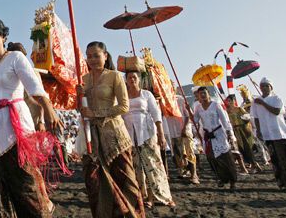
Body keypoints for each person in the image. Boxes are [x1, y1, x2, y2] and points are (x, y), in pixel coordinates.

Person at [0, 16, 63, 217]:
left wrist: (48, 110)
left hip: (15, 132)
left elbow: (35, 87)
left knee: (24, 188)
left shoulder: (15, 58)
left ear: (3, 36)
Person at [80, 42, 144, 218]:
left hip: (114, 135)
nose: (92, 59)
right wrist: (79, 97)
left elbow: (124, 106)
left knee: (125, 180)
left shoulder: (114, 76)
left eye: (96, 55)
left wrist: (96, 113)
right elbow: (81, 109)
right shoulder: (82, 79)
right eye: (89, 55)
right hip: (91, 136)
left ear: (105, 56)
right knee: (95, 183)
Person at [122, 64, 175, 209]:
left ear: (139, 79)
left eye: (134, 77)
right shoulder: (123, 96)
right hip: (130, 135)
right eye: (129, 77)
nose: (132, 79)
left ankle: (158, 196)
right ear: (125, 80)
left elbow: (155, 113)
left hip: (147, 133)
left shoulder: (146, 94)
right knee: (136, 166)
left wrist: (160, 134)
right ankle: (143, 196)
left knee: (153, 165)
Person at [193, 87, 237, 189]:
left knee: (225, 157)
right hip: (207, 136)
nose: (202, 95)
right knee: (212, 158)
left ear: (208, 93)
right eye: (200, 94)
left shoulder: (215, 105)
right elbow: (195, 120)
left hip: (219, 133)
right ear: (198, 96)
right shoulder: (198, 108)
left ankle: (232, 181)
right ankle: (221, 178)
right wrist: (189, 112)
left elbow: (224, 119)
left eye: (204, 93)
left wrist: (229, 133)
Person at [164, 90, 199, 184]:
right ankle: (183, 170)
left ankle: (194, 175)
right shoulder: (163, 101)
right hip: (172, 132)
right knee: (177, 154)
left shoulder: (180, 99)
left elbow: (188, 116)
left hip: (184, 130)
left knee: (189, 152)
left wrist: (184, 128)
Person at [225, 94, 261, 173]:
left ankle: (255, 164)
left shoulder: (239, 109)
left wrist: (243, 121)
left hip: (243, 130)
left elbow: (247, 117)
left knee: (247, 147)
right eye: (228, 101)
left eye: (231, 101)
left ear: (234, 101)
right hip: (235, 131)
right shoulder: (227, 112)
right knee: (241, 149)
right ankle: (253, 165)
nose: (229, 102)